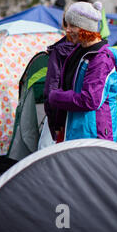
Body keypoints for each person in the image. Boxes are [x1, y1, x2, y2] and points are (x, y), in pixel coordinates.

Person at [48, 1, 117, 141]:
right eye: (67, 25)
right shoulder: (79, 51)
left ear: (86, 28)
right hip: (77, 129)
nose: (67, 30)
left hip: (94, 134)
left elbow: (90, 100)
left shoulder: (100, 59)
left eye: (73, 25)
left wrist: (55, 97)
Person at [43, 10, 76, 142]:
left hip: (63, 113)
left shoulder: (59, 51)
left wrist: (54, 123)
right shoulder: (101, 50)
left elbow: (51, 89)